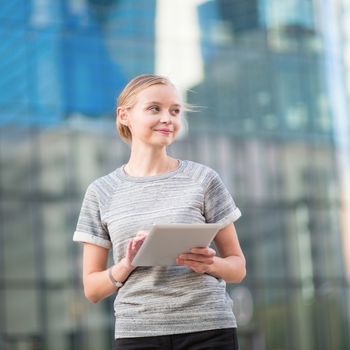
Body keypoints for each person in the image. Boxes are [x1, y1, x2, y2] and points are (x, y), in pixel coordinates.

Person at [73, 74, 246, 350]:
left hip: (209, 329)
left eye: (175, 111)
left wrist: (209, 264)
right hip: (138, 334)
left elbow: (237, 268)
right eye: (155, 108)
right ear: (124, 116)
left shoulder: (203, 179)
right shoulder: (101, 191)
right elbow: (92, 289)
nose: (168, 118)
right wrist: (126, 265)